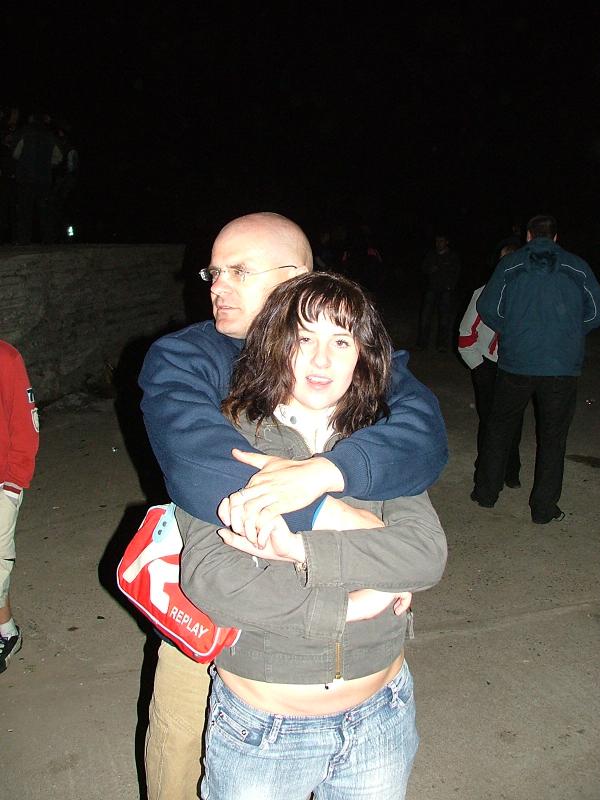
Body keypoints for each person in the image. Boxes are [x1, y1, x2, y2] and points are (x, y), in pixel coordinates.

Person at [138, 211, 448, 799]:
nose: (216, 285)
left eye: (237, 271)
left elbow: (423, 436)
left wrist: (328, 471)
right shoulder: (188, 355)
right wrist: (335, 516)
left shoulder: (349, 364)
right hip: (219, 593)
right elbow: (199, 466)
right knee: (180, 742)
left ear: (294, 280)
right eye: (214, 272)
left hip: (365, 682)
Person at [471, 214, 600, 523]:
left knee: (499, 428)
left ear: (528, 236)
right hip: (561, 367)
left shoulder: (510, 264)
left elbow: (487, 307)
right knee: (553, 438)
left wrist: (512, 330)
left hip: (517, 362)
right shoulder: (578, 267)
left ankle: (486, 493)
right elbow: (595, 312)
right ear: (556, 237)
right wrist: (568, 334)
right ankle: (543, 509)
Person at [458, 244, 523, 487]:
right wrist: (478, 366)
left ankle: (511, 469)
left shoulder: (528, 296)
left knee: (515, 420)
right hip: (489, 364)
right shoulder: (484, 293)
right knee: (490, 421)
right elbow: (466, 334)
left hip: (518, 366)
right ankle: (486, 469)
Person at [0, 341, 39, 673]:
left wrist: (13, 484)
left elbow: (26, 426)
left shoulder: (6, 358)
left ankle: (7, 633)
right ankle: (6, 629)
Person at [12, 112, 63, 244]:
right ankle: (48, 238)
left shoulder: (25, 134)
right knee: (45, 209)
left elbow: (16, 154)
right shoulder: (49, 136)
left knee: (25, 210)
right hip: (44, 178)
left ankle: (24, 238)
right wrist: (47, 164)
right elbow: (58, 157)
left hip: (26, 177)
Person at [416, 233, 461, 352]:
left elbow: (456, 272)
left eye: (441, 241)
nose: (438, 243)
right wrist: (430, 269)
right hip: (431, 289)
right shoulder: (431, 254)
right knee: (425, 316)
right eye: (437, 241)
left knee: (444, 318)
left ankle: (442, 344)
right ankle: (422, 343)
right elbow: (424, 267)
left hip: (445, 290)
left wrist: (450, 286)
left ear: (446, 242)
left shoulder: (452, 256)